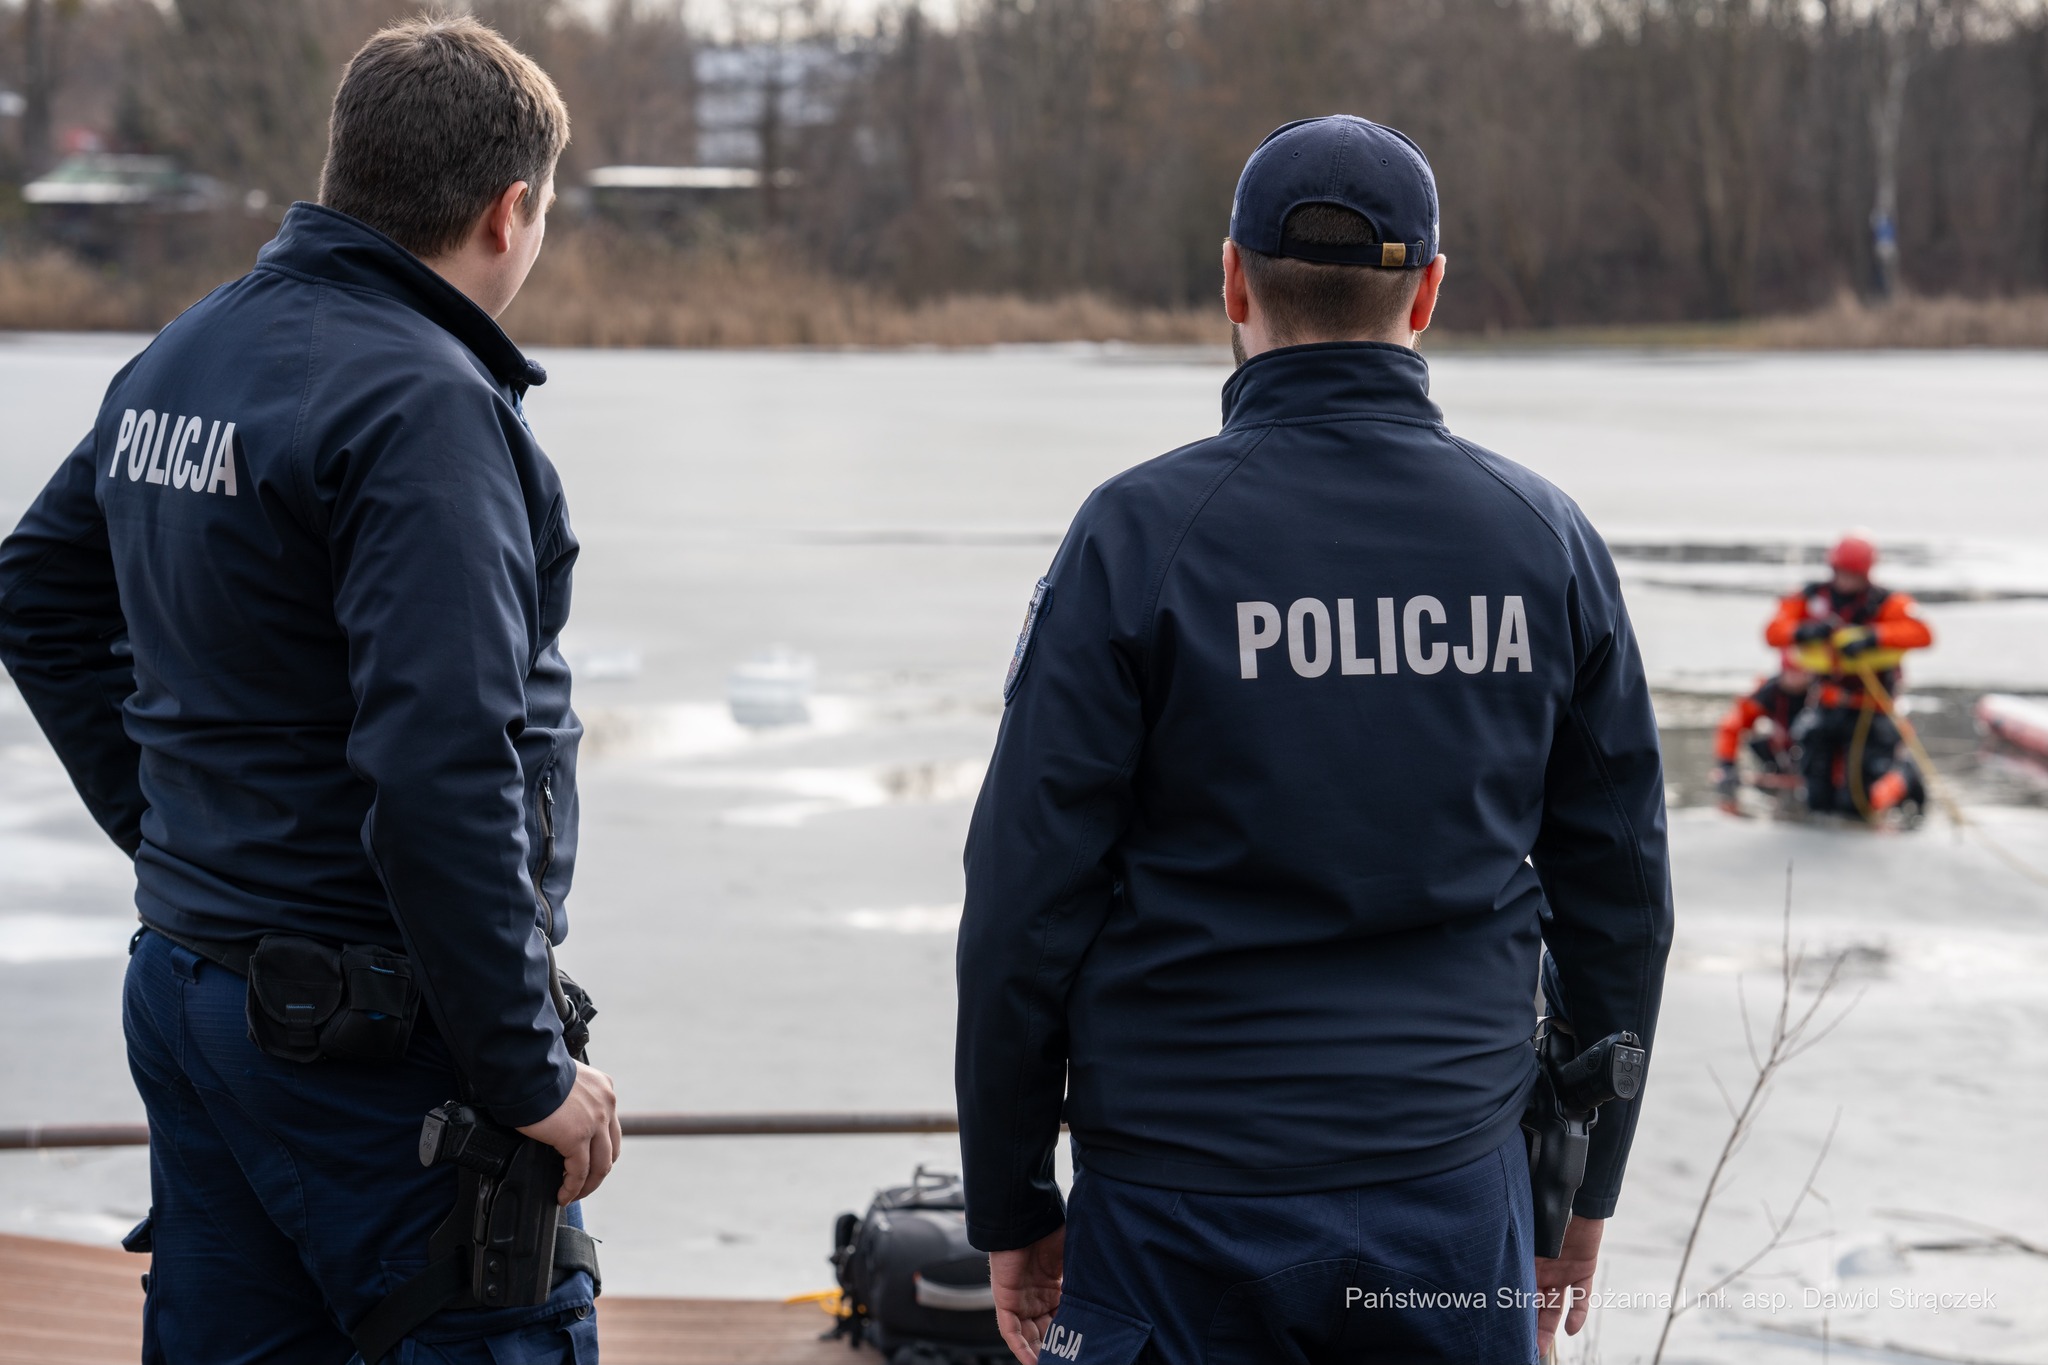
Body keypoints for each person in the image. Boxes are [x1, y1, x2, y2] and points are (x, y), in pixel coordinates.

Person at [956, 115, 1673, 1365]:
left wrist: (1010, 1199)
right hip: (1448, 1191)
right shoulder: (1541, 541)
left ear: (1229, 280)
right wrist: (1581, 1189)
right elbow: (1621, 903)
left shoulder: (1136, 538)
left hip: (1181, 1209)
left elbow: (1023, 901)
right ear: (1429, 294)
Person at [0, 18, 619, 1364]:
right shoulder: (424, 409)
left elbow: (34, 597)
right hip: (363, 1040)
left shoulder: (187, 354)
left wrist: (188, 840)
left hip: (194, 990)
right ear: (510, 212)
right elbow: (442, 768)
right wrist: (529, 1076)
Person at [1763, 534, 1933, 817]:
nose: (1845, 579)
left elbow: (1923, 633)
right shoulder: (1812, 597)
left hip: (1872, 709)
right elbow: (1773, 631)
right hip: (1828, 705)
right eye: (1841, 571)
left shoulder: (1886, 602)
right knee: (1817, 795)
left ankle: (1905, 776)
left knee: (1859, 801)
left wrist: (1873, 637)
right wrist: (1805, 631)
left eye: (1852, 573)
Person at [1712, 656, 1815, 811]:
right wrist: (1727, 765)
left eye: (1801, 673)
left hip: (1816, 751)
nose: (1796, 678)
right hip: (1785, 750)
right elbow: (1733, 726)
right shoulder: (1769, 691)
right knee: (1760, 740)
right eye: (1792, 672)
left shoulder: (1820, 690)